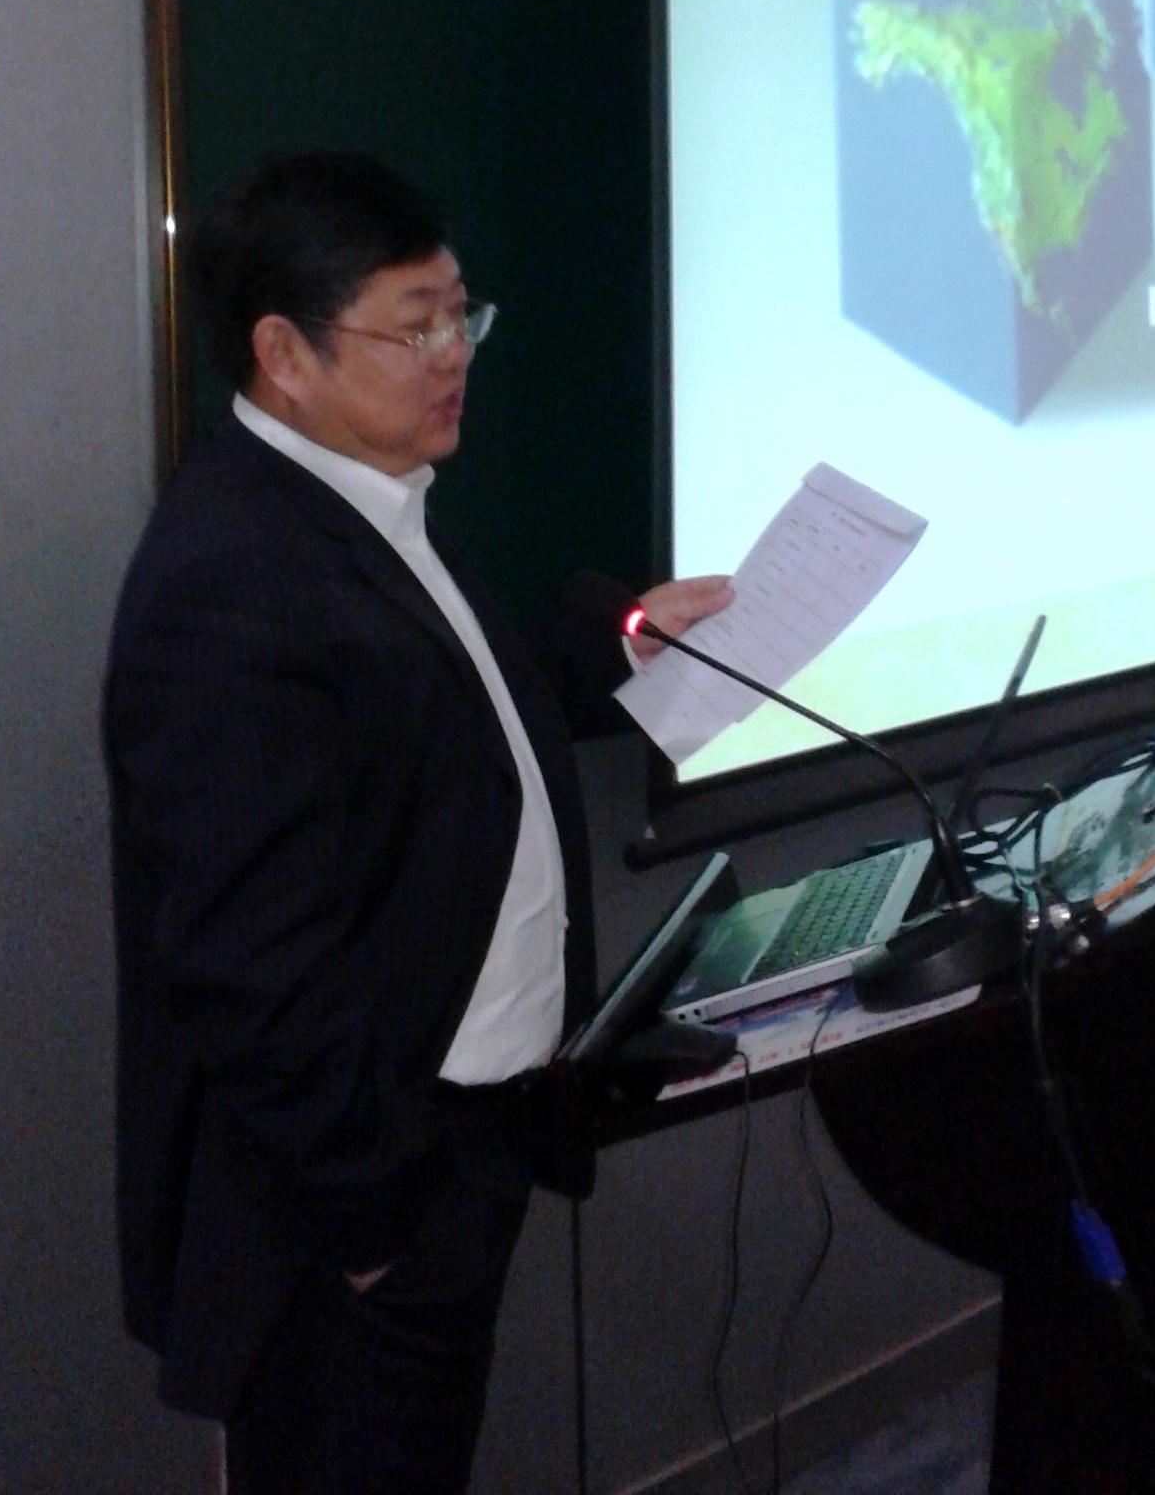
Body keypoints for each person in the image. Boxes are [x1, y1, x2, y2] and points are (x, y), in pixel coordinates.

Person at [102, 151, 729, 1495]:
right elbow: (245, 962)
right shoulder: (232, 580)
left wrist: (625, 651)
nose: (455, 357)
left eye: (463, 317)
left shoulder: (364, 500)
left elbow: (436, 715)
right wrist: (380, 1223)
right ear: (286, 352)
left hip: (462, 1144)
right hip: (355, 1215)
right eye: (414, 326)